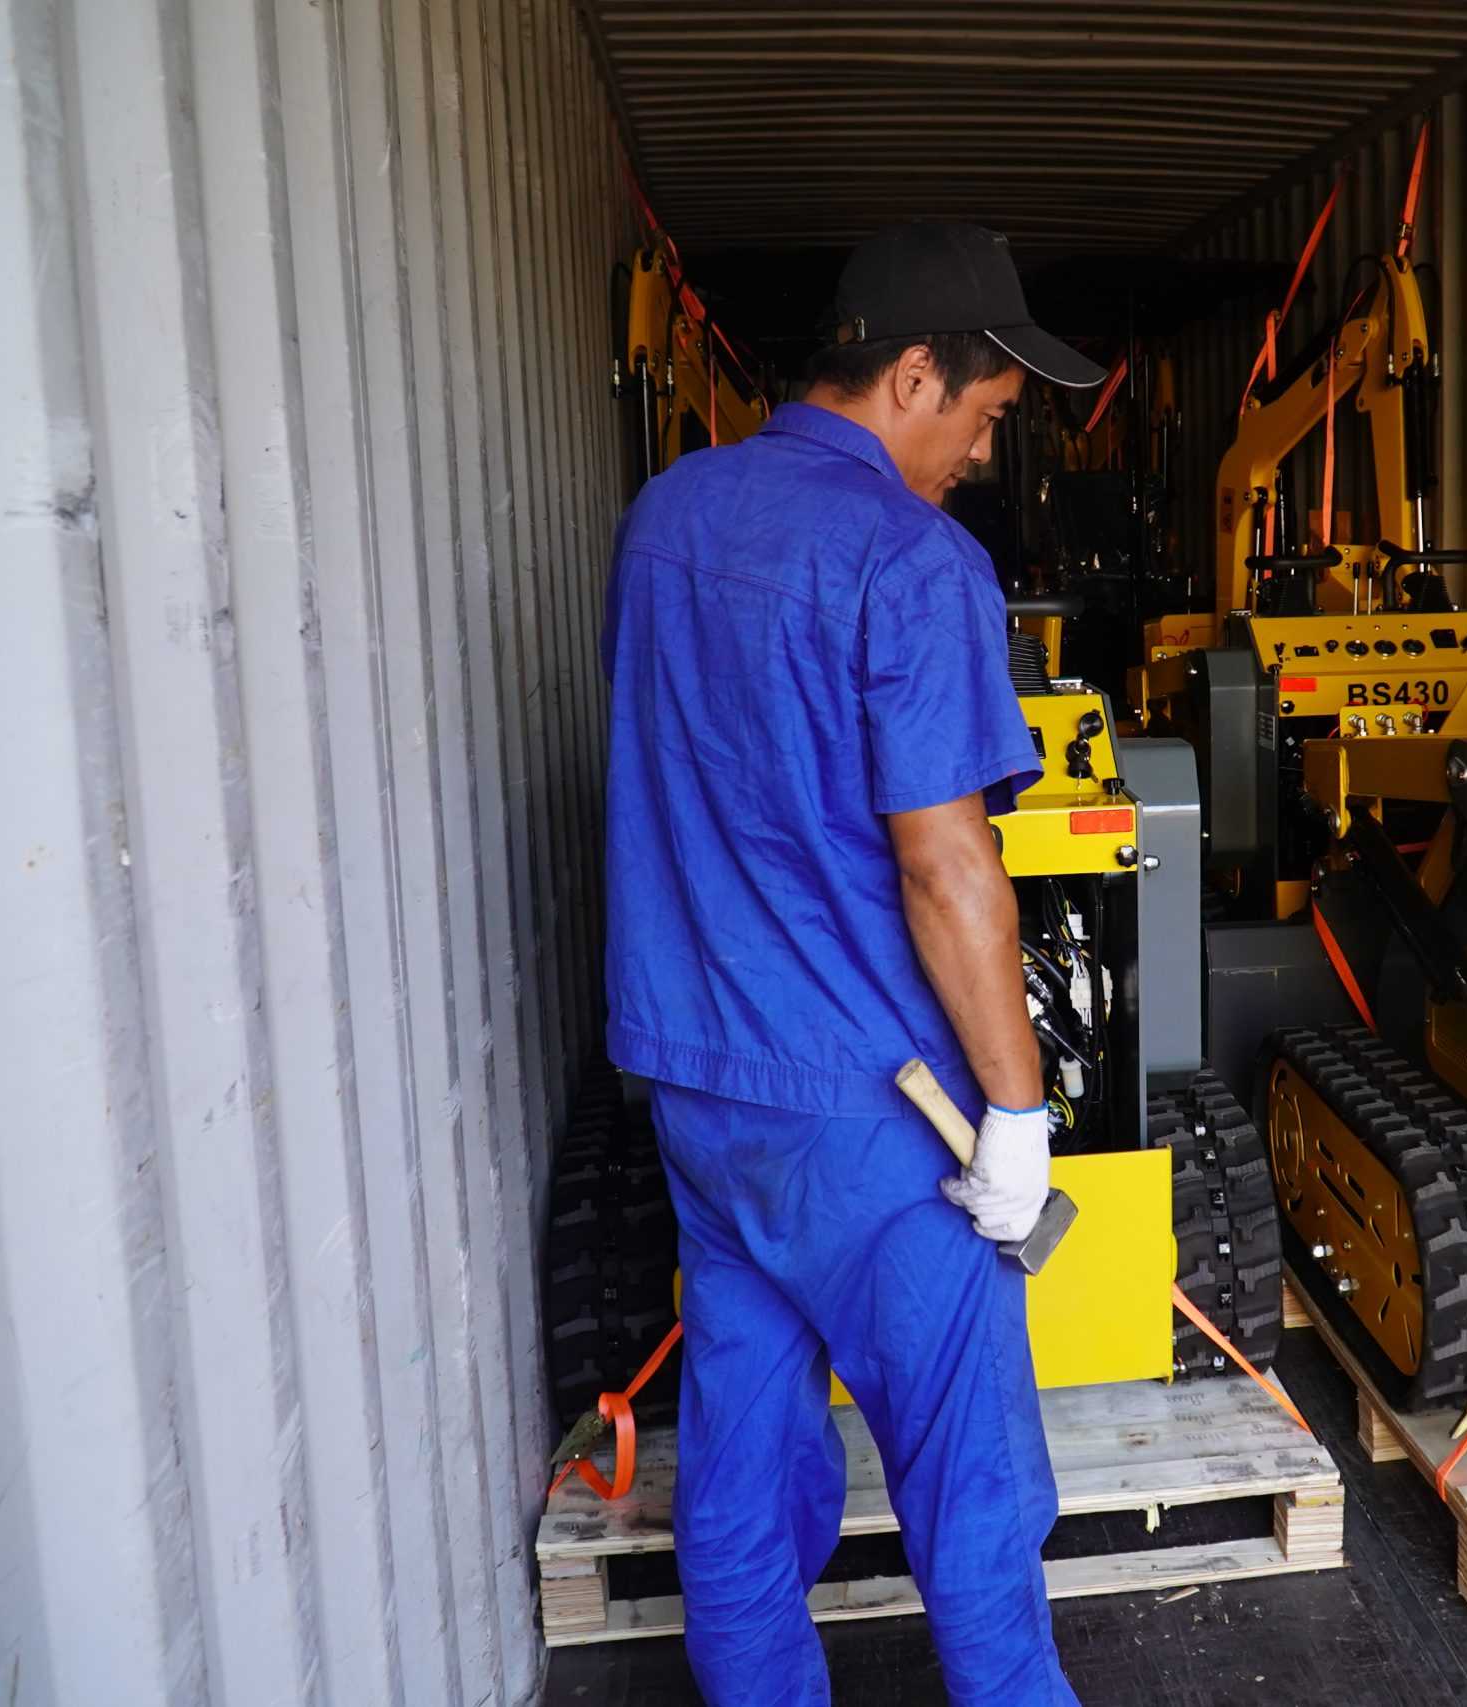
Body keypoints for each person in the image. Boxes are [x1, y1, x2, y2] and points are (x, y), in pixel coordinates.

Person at [601, 223, 1104, 1706]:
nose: (984, 453)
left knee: (744, 1474)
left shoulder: (669, 515)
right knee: (974, 1492)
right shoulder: (912, 559)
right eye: (986, 414)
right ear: (913, 376)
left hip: (702, 1090)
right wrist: (1017, 1113)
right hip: (874, 1111)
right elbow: (951, 868)